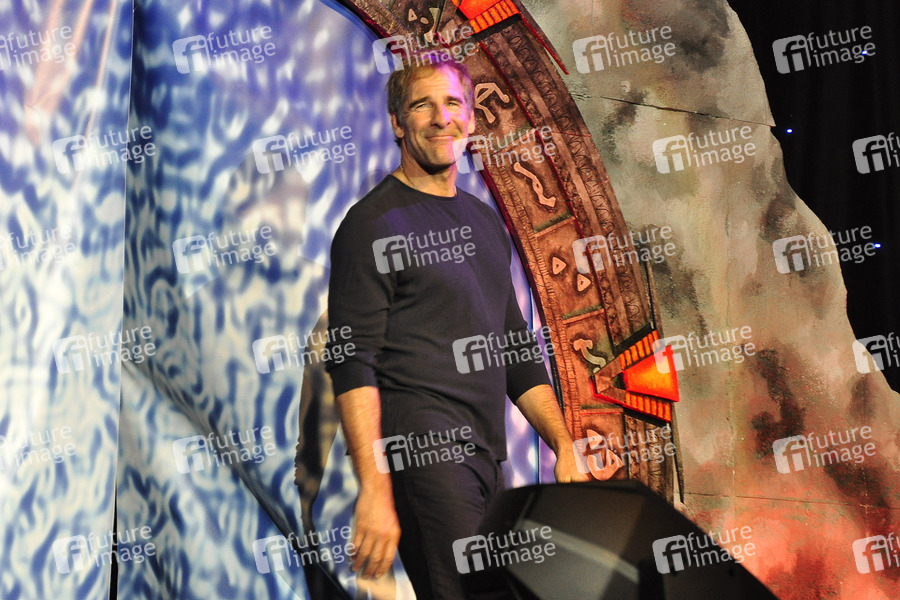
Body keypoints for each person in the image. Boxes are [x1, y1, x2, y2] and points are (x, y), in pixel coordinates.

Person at [325, 55, 588, 599]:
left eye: (452, 103)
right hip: (426, 455)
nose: (440, 117)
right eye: (422, 105)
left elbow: (515, 349)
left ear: (470, 117)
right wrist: (374, 488)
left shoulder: (483, 221)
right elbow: (352, 362)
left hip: (486, 460)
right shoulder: (371, 224)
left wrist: (563, 444)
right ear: (398, 123)